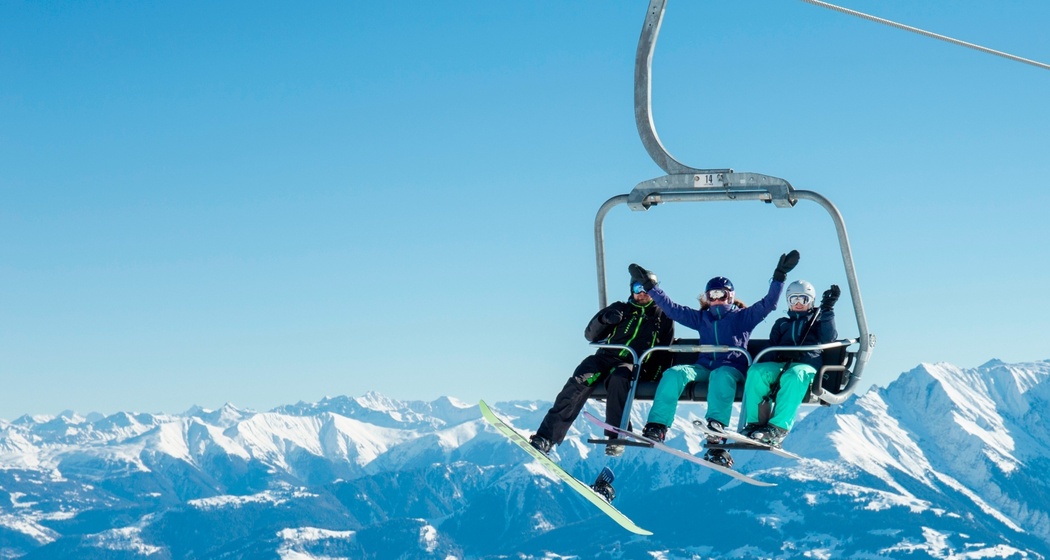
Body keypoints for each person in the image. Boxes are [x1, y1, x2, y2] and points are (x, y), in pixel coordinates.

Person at [628, 250, 799, 468]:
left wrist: (779, 277)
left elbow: (769, 304)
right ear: (707, 298)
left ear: (730, 296)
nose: (717, 299)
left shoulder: (742, 317)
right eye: (712, 295)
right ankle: (656, 426)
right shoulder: (702, 318)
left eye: (722, 294)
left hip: (732, 368)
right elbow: (671, 309)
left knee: (721, 375)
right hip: (704, 367)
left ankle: (716, 431)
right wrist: (651, 288)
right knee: (675, 373)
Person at [529, 271, 675, 464]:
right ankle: (546, 437)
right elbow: (590, 335)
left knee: (620, 378)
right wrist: (604, 320)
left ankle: (616, 436)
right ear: (631, 290)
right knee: (579, 381)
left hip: (633, 363)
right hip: (604, 359)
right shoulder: (620, 308)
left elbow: (665, 350)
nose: (642, 293)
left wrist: (654, 376)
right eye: (638, 288)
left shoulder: (662, 316)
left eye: (647, 289)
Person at [741, 281, 840, 447]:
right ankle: (756, 424)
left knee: (794, 375)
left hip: (807, 367)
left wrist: (828, 310)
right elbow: (771, 348)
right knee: (757, 371)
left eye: (804, 299)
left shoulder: (817, 321)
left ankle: (777, 429)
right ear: (788, 302)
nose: (799, 303)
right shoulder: (782, 323)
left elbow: (829, 338)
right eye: (794, 300)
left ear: (811, 301)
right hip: (783, 365)